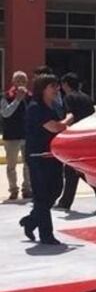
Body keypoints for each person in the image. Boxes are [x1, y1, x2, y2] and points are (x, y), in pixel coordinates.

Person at [18, 74, 73, 245]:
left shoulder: (56, 107)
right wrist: (69, 118)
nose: (57, 89)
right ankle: (46, 235)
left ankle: (32, 220)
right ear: (43, 89)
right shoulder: (36, 107)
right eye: (53, 86)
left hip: (53, 156)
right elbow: (54, 127)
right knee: (42, 196)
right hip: (38, 158)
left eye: (57, 86)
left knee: (56, 190)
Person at [55, 73, 96, 211]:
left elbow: (70, 115)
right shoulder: (87, 97)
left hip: (76, 136)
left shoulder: (69, 97)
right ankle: (65, 201)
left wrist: (61, 126)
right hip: (88, 136)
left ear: (66, 84)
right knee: (74, 169)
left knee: (76, 168)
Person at [2, 71, 32, 200]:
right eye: (18, 80)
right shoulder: (6, 96)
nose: (21, 83)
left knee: (28, 165)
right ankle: (13, 190)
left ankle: (27, 189)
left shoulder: (31, 97)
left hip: (27, 135)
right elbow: (5, 113)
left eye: (23, 81)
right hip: (11, 136)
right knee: (11, 166)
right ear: (13, 82)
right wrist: (17, 100)